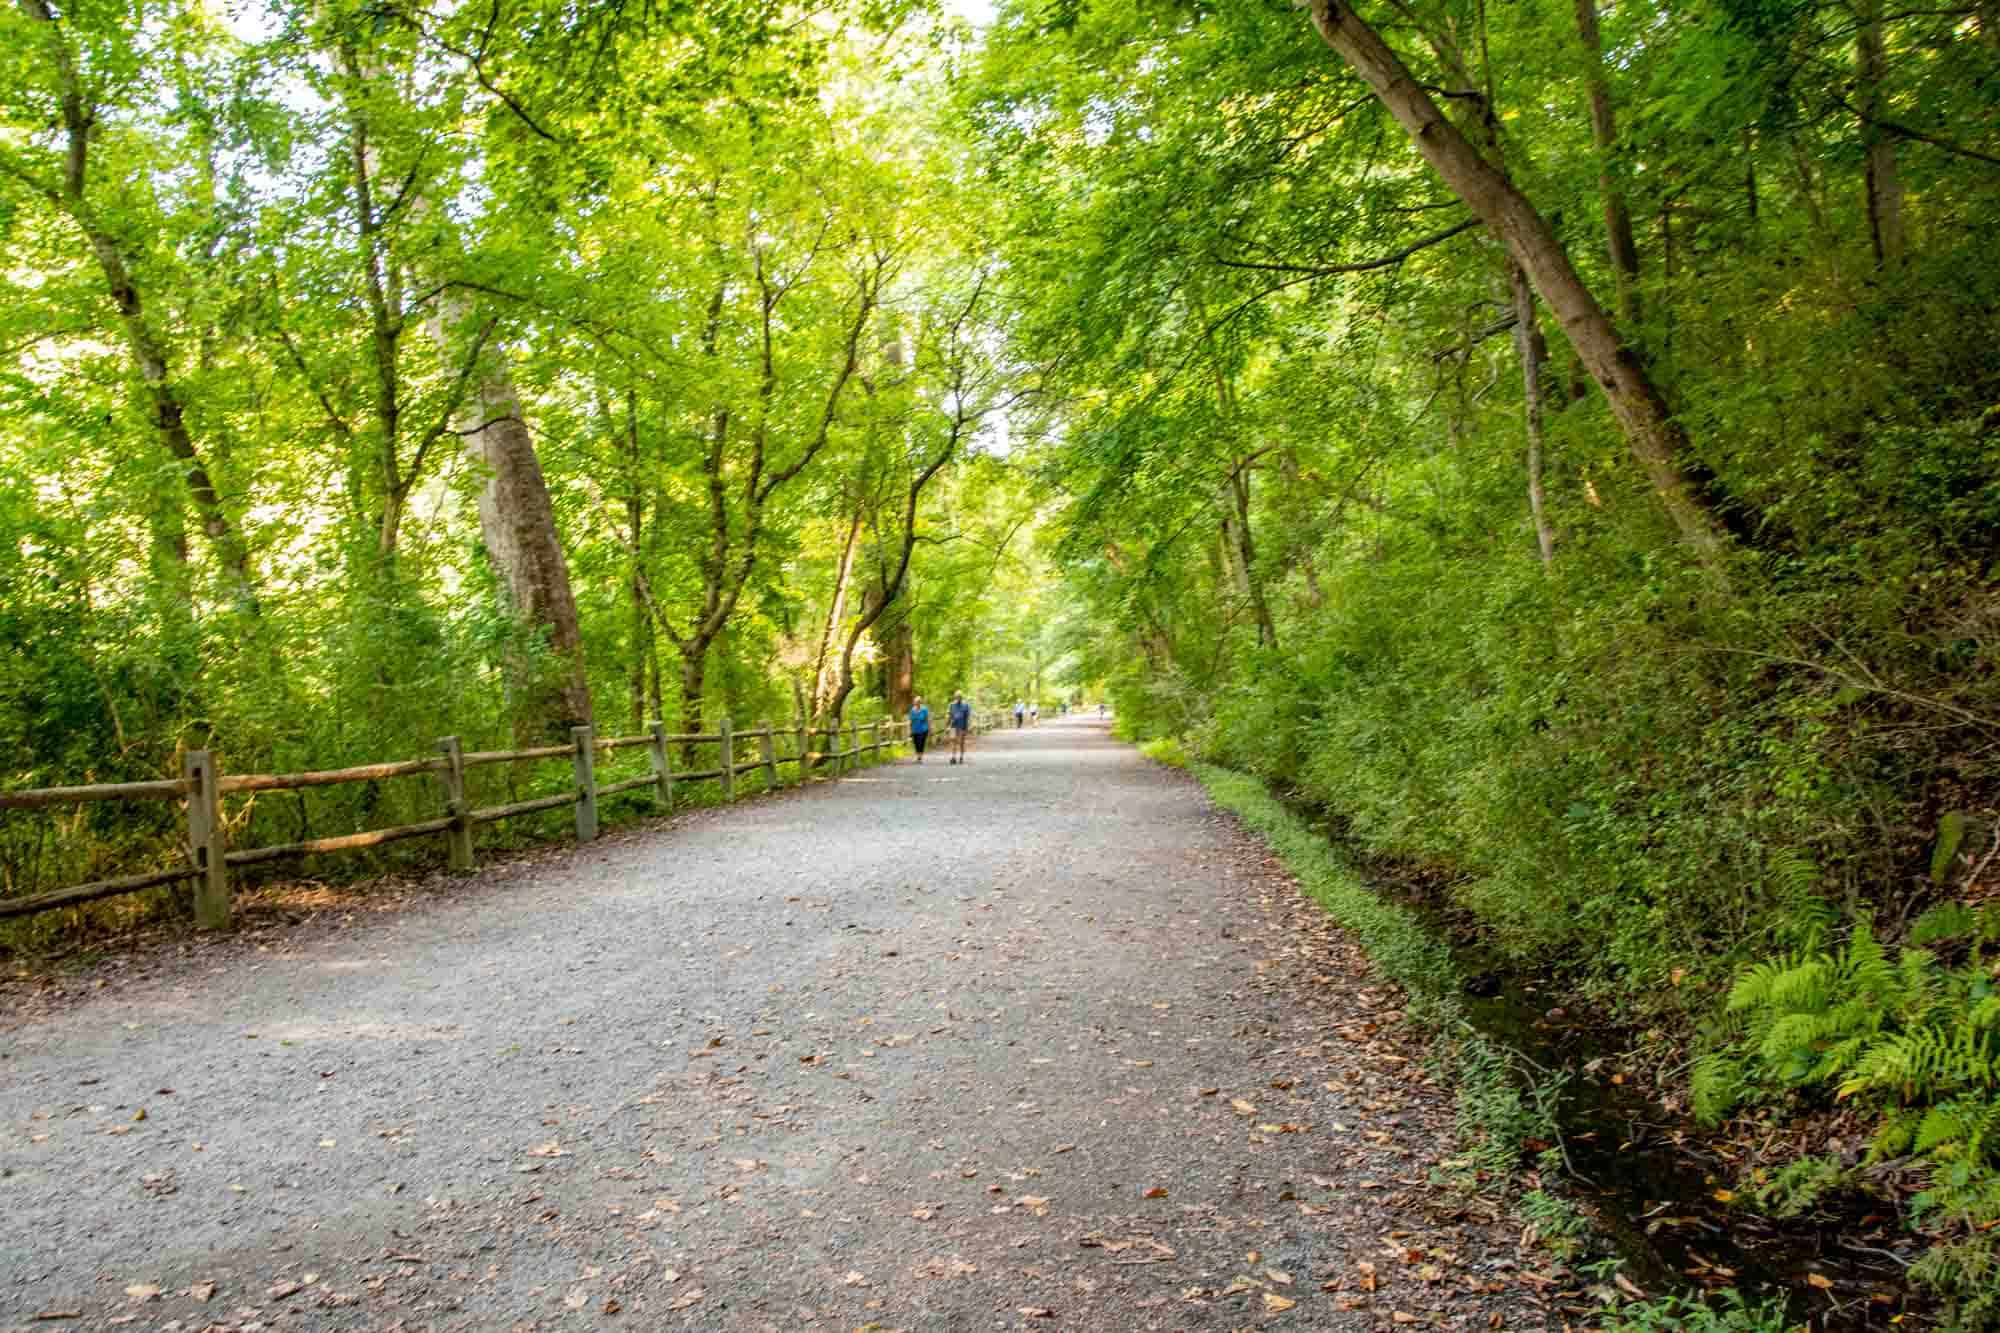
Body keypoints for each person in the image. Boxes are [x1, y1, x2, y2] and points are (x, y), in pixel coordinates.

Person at [947, 692, 972, 764]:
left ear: (962, 698)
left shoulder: (966, 705)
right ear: (955, 697)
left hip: (962, 726)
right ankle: (953, 757)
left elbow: (968, 717)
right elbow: (949, 716)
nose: (958, 698)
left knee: (961, 742)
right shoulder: (951, 705)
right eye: (957, 697)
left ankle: (961, 756)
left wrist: (968, 727)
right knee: (953, 741)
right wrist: (947, 725)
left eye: (959, 697)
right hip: (953, 726)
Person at [908, 696, 931, 763]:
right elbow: (910, 720)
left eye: (918, 702)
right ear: (914, 703)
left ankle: (920, 757)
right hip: (915, 729)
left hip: (923, 729)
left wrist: (930, 728)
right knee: (916, 743)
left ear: (920, 702)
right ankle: (918, 756)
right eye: (916, 702)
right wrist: (910, 730)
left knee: (921, 743)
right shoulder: (912, 710)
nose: (917, 703)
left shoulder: (924, 709)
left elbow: (927, 719)